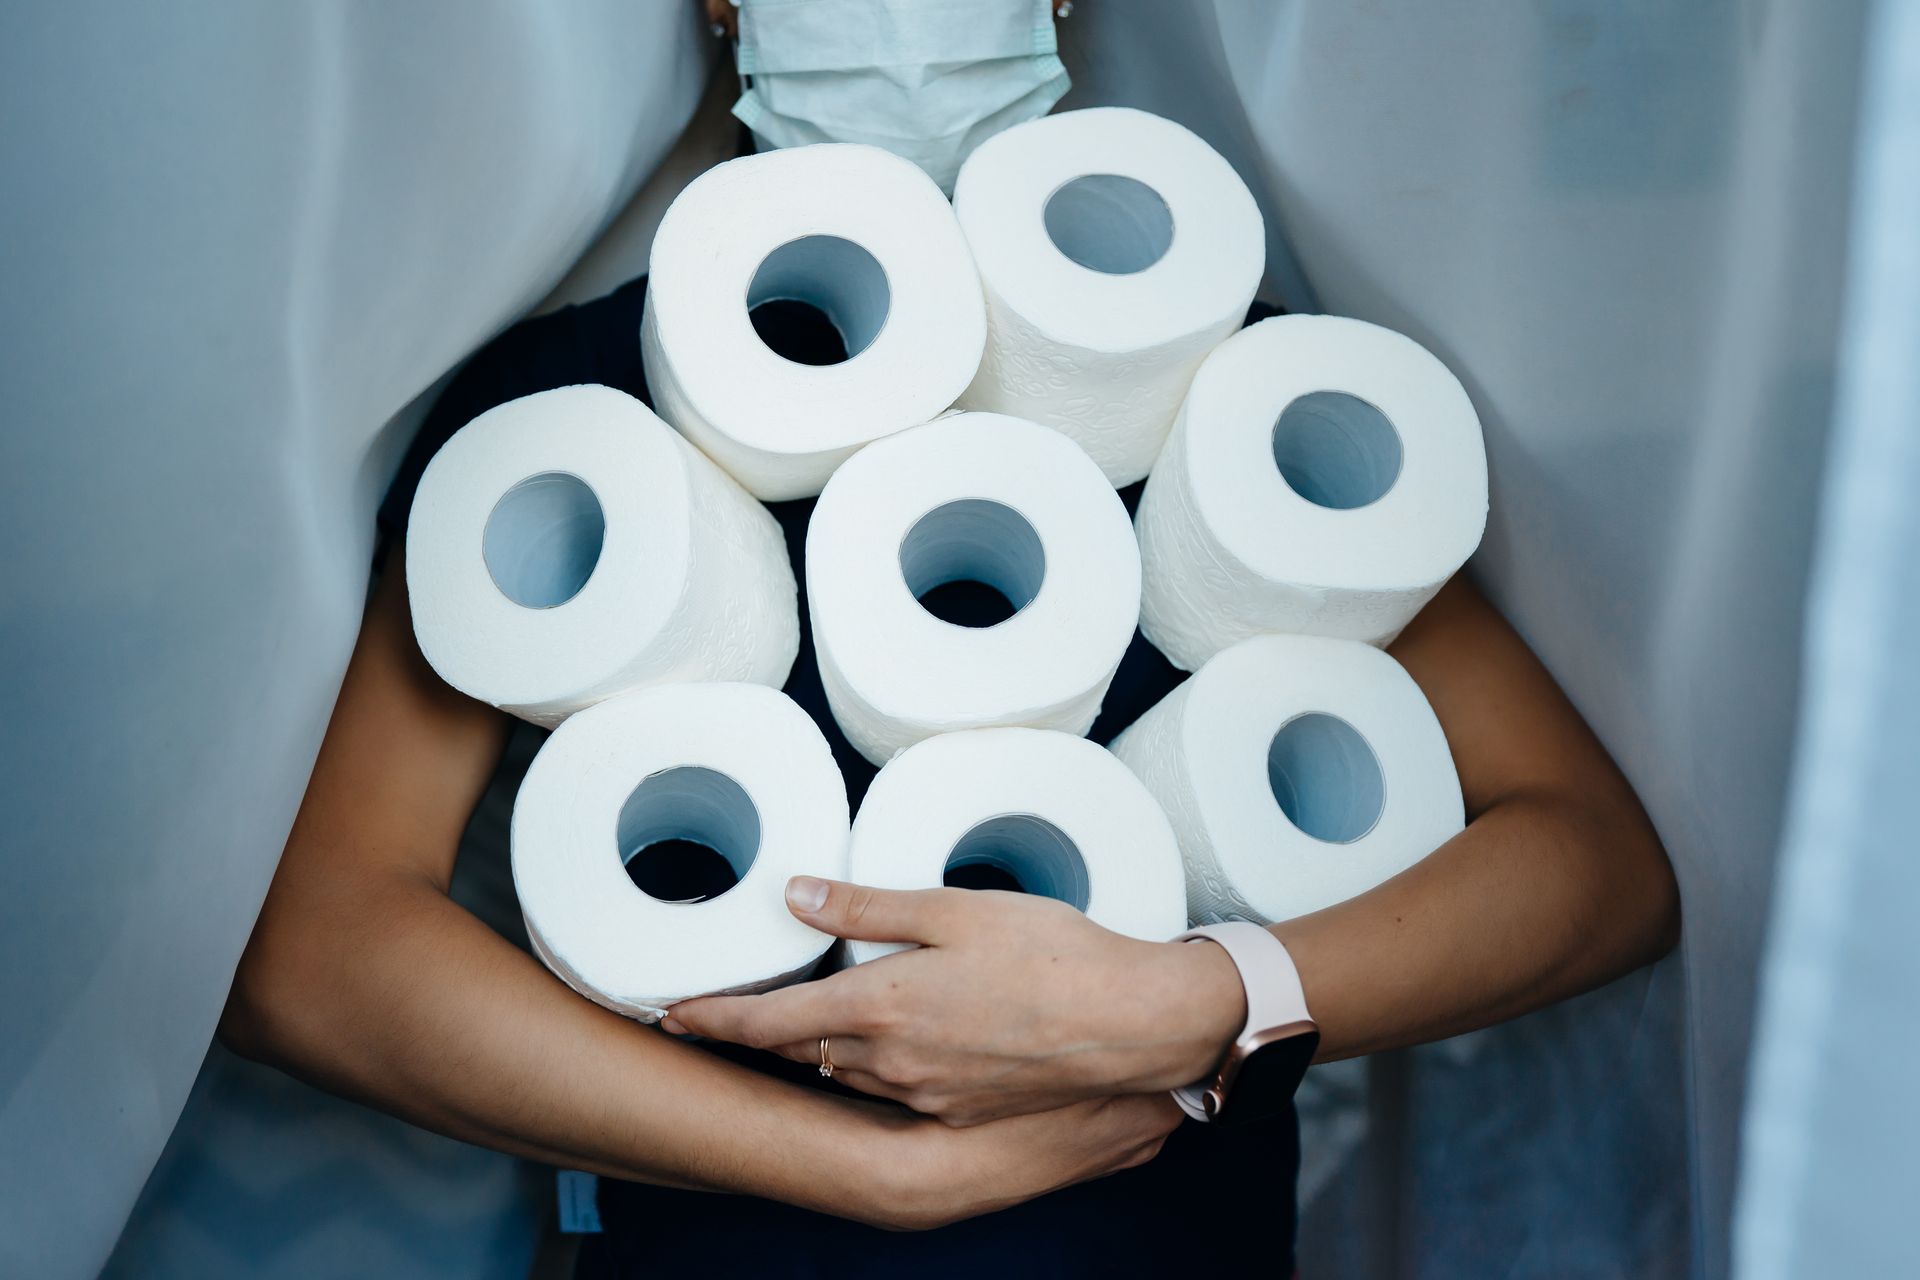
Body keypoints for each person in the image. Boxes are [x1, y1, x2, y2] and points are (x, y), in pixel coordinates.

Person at [218, 268, 1678, 1275]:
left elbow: (1595, 863)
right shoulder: (585, 407)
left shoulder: (1238, 401)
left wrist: (1202, 999)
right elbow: (316, 950)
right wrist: (872, 1169)